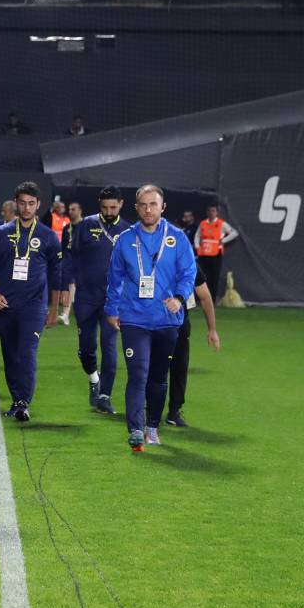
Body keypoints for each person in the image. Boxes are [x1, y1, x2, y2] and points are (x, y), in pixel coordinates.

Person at [105, 184, 197, 451]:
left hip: (167, 320)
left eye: (153, 204)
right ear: (136, 208)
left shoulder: (177, 238)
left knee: (158, 377)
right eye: (143, 204)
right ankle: (135, 429)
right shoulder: (125, 239)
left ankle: (152, 426)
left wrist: (179, 298)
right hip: (134, 318)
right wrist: (112, 309)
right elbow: (115, 277)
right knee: (138, 374)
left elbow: (188, 273)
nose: (148, 209)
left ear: (162, 207)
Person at [0, 181, 62, 422]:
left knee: (27, 352)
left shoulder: (47, 236)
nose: (26, 208)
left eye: (31, 204)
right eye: (22, 203)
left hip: (34, 307)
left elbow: (56, 274)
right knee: (10, 354)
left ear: (38, 205)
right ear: (16, 203)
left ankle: (23, 402)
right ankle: (17, 399)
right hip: (6, 305)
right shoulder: (1, 232)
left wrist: (54, 309)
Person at [66, 186, 131, 414]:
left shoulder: (128, 231)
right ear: (99, 204)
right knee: (87, 349)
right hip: (86, 297)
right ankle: (94, 379)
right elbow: (72, 257)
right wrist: (69, 286)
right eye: (105, 207)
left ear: (121, 204)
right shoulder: (86, 225)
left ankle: (105, 396)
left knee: (110, 346)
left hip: (114, 300)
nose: (109, 211)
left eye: (113, 207)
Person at [165, 266, 221, 427]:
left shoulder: (189, 264)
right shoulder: (152, 256)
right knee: (154, 369)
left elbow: (205, 297)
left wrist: (212, 330)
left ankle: (174, 411)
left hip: (180, 324)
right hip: (153, 323)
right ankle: (149, 409)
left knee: (179, 368)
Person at [194, 204, 238, 301]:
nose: (211, 213)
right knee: (201, 277)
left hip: (215, 254)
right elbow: (197, 236)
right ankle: (199, 299)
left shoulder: (221, 223)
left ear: (216, 212)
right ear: (207, 212)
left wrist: (223, 240)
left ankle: (211, 299)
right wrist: (197, 246)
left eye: (213, 211)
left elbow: (234, 233)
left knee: (214, 278)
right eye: (209, 211)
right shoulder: (203, 223)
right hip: (203, 254)